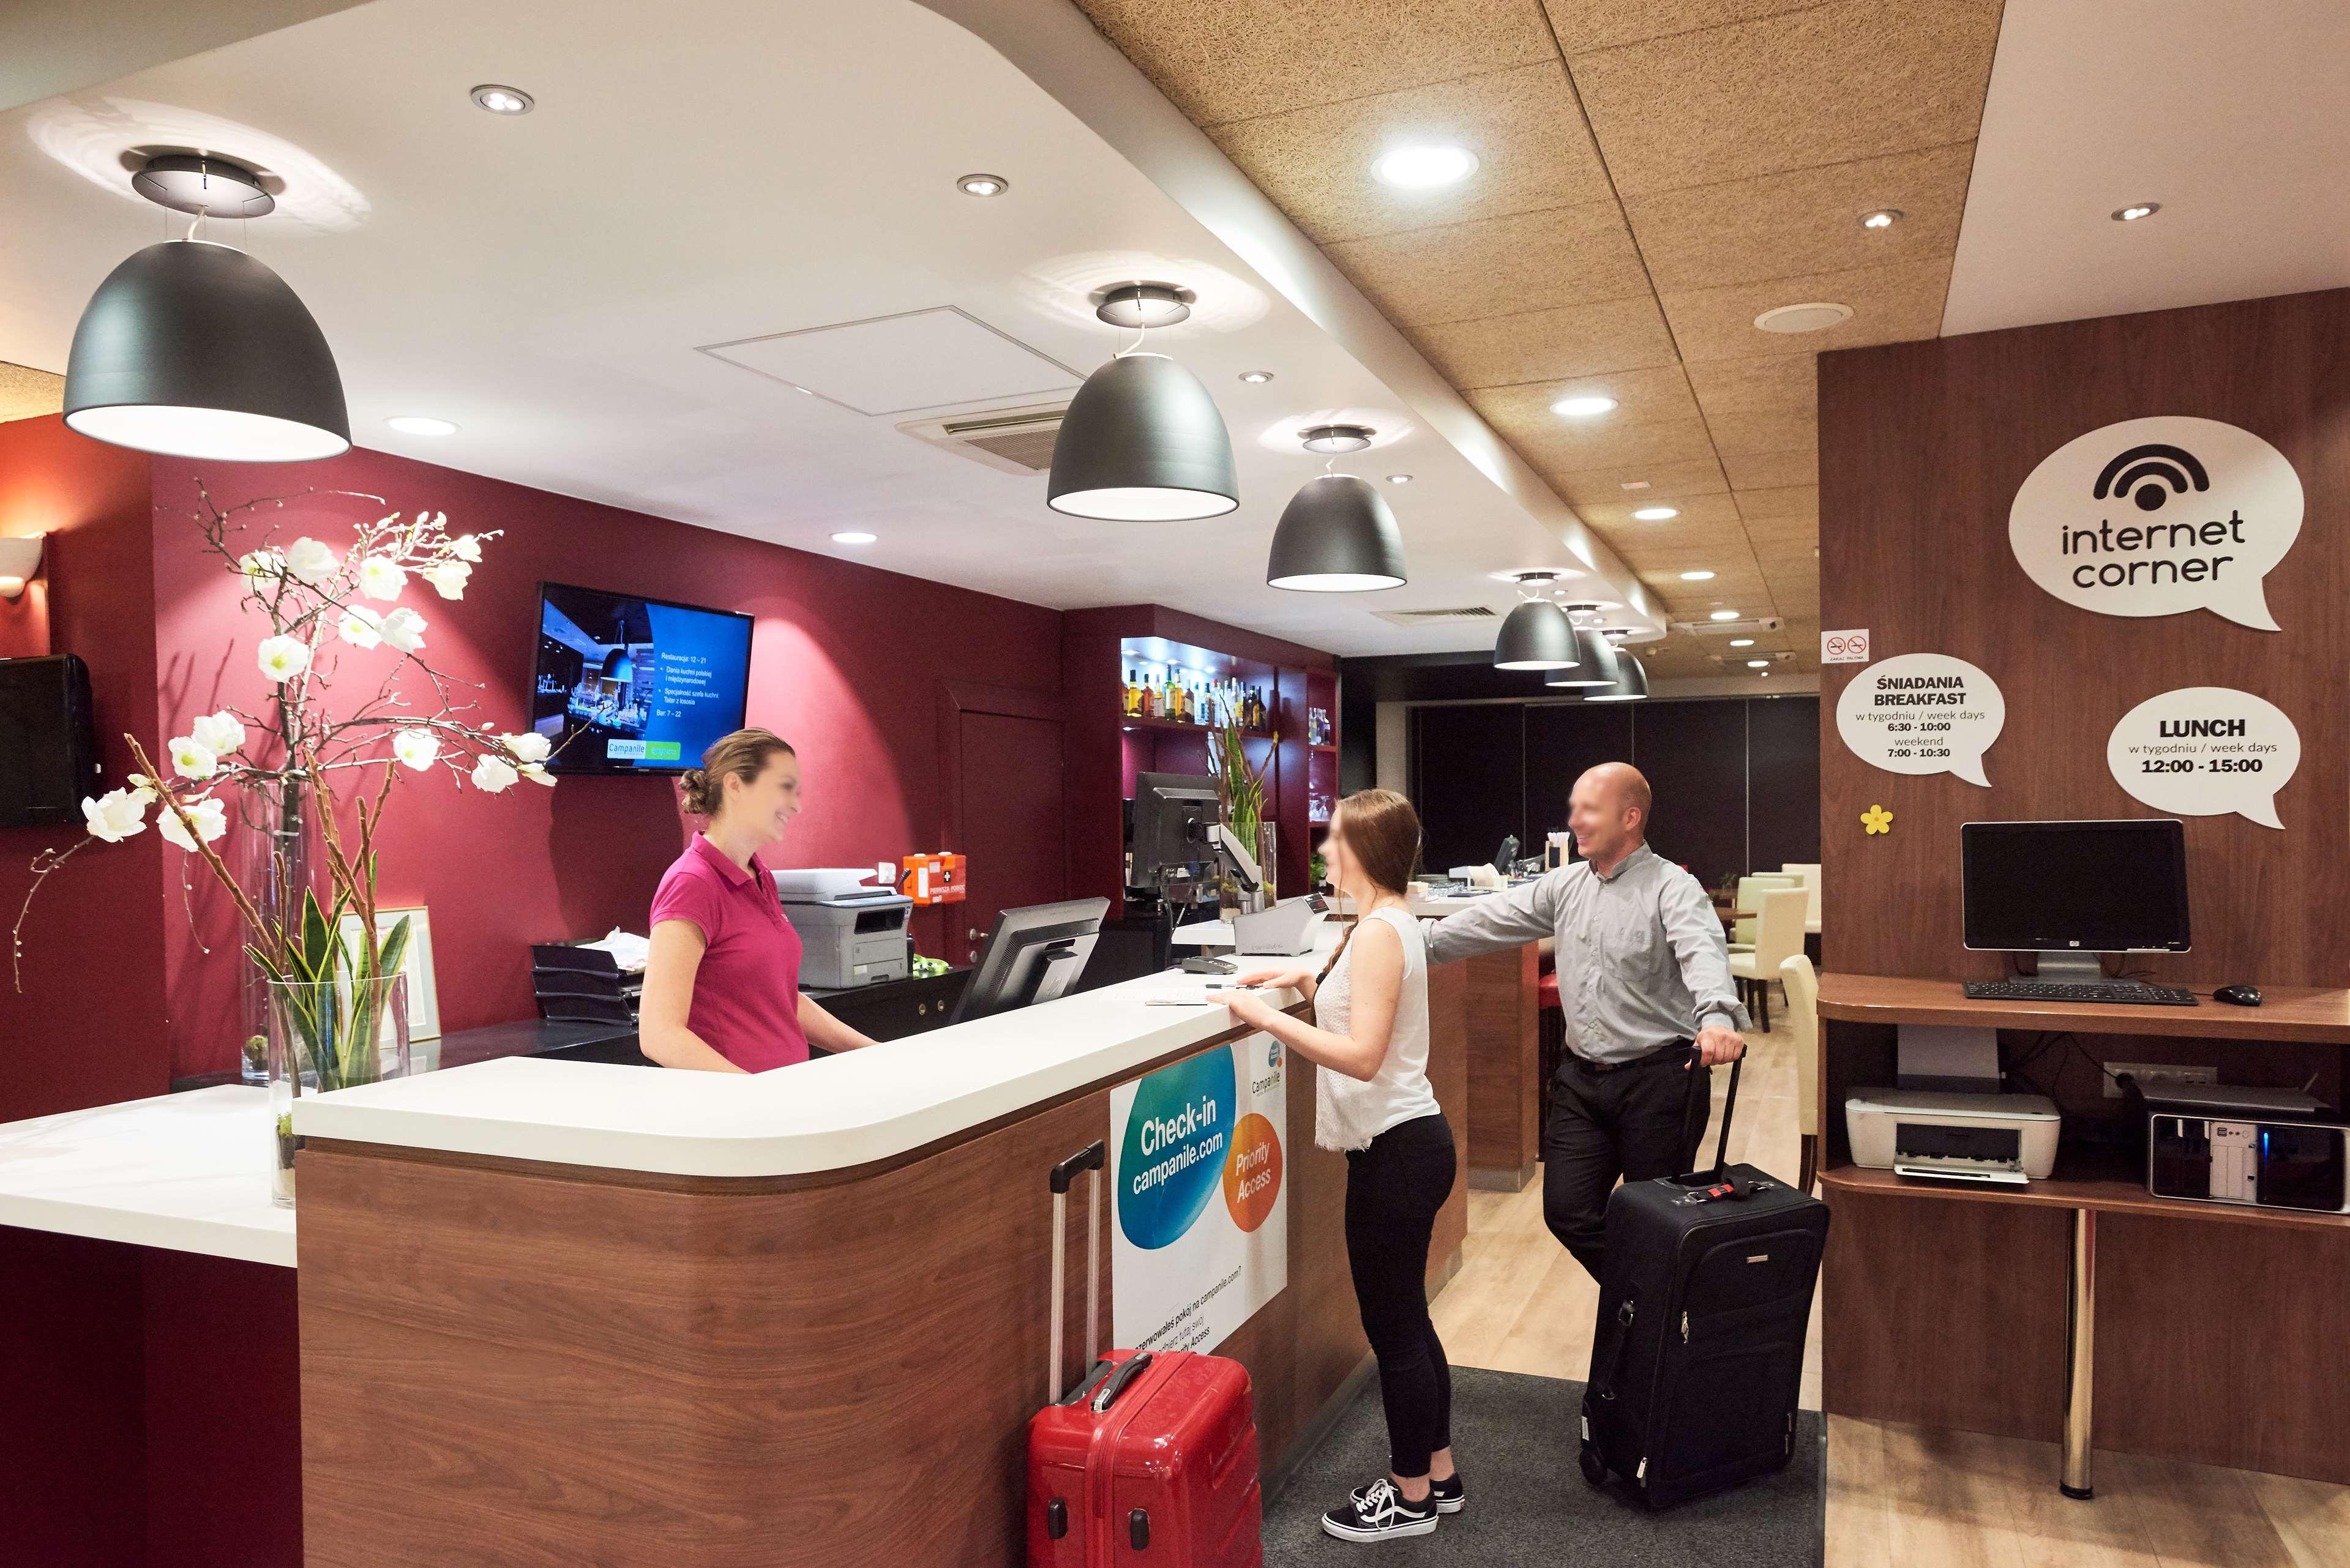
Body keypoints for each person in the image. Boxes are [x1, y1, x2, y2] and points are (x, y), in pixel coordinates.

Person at [1216, 788, 1462, 1544]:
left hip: (1397, 1153)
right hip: (1407, 1146)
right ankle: (1439, 1475)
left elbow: (1361, 1057)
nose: (1325, 851)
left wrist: (1264, 1021)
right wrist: (1301, 985)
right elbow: (1360, 1008)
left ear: (1364, 851)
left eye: (1335, 841)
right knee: (1408, 1320)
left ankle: (1409, 1497)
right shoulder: (1385, 923)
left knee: (1392, 1329)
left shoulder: (1381, 932)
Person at [1424, 763, 1747, 1282]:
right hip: (1581, 1081)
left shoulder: (1672, 887)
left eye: (1588, 809)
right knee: (1567, 1213)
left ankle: (1650, 1311)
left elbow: (1703, 955)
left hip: (1660, 1082)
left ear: (1630, 818)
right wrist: (1407, 944)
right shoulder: (1563, 885)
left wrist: (1715, 1018)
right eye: (1574, 808)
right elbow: (1489, 920)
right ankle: (1646, 1299)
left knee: (1654, 1221)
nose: (1574, 820)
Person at [639, 728, 880, 1070]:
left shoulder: (760, 875)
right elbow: (660, 1035)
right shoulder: (691, 882)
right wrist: (755, 1093)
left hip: (783, 1089)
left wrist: (874, 1052)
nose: (795, 805)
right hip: (737, 1099)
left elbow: (780, 1000)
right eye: (783, 787)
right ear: (736, 786)